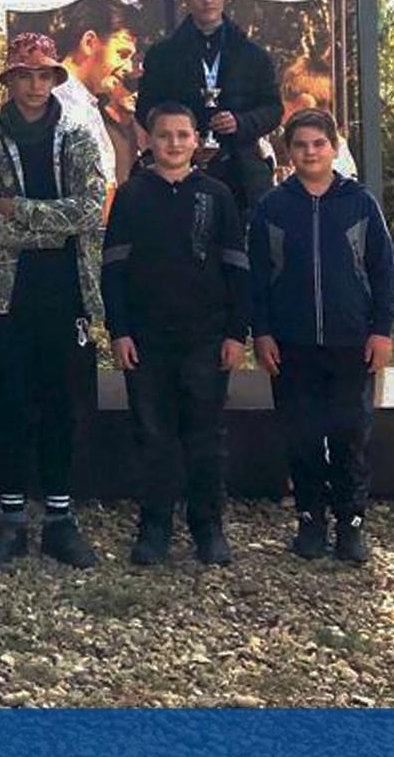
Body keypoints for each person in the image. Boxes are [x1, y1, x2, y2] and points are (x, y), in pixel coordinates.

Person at [0, 34, 108, 569]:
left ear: (54, 81)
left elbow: (91, 211)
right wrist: (52, 223)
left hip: (65, 290)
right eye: (24, 75)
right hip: (3, 297)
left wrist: (18, 210)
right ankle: (10, 517)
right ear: (10, 82)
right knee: (8, 404)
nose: (33, 85)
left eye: (43, 75)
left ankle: (61, 520)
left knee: (62, 404)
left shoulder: (78, 139)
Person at [101, 102, 250, 567]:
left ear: (196, 140)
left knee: (205, 435)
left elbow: (237, 269)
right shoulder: (131, 196)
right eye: (164, 135)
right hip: (146, 339)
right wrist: (120, 330)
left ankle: (207, 527)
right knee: (152, 434)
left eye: (183, 135)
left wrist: (235, 333)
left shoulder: (218, 195)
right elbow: (114, 270)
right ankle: (155, 526)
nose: (174, 143)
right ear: (148, 140)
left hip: (206, 336)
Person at [249, 108, 394, 565]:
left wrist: (381, 331)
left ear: (334, 147)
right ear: (287, 152)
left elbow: (383, 271)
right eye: (300, 145)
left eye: (318, 144)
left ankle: (351, 524)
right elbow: (257, 278)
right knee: (302, 433)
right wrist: (264, 333)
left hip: (350, 340)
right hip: (291, 344)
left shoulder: (360, 203)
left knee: (351, 432)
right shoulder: (272, 207)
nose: (310, 152)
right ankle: (310, 520)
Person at [136, 0, 281, 215]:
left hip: (240, 171)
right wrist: (182, 133)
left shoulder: (253, 55)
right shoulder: (162, 55)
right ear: (186, 0)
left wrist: (241, 121)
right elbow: (145, 109)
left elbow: (273, 109)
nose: (207, 0)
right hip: (177, 165)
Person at [56, 0, 144, 190]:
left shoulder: (86, 102)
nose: (128, 68)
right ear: (89, 43)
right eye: (122, 54)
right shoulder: (55, 105)